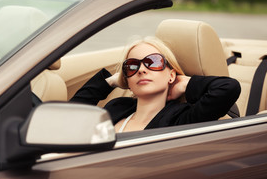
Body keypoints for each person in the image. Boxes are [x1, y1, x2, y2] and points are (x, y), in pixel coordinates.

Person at [70, 36, 241, 132]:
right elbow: (69, 118)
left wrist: (184, 83)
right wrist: (110, 81)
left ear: (171, 74)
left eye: (153, 62)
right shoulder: (117, 107)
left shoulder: (181, 118)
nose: (141, 70)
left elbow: (228, 88)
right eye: (132, 66)